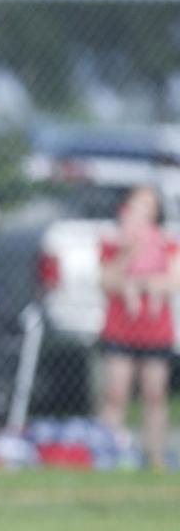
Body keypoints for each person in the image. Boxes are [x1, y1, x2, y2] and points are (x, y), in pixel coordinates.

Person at [97, 185, 179, 470]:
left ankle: (156, 457)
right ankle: (106, 455)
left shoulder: (166, 243)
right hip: (120, 328)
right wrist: (129, 253)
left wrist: (141, 284)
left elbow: (171, 282)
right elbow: (109, 282)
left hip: (156, 331)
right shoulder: (115, 243)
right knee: (116, 393)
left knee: (155, 395)